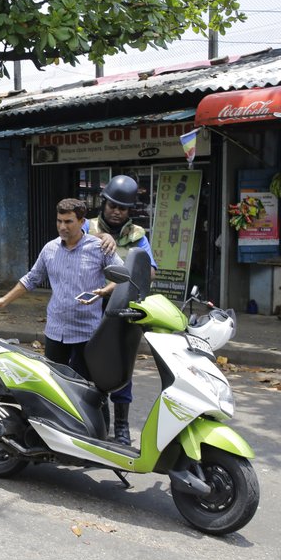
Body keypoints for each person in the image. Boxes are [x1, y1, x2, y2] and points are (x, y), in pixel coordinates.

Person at [0, 197, 122, 384]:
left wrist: (104, 291)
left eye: (68, 221)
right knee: (55, 384)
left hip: (87, 332)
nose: (62, 227)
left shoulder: (99, 248)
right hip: (55, 330)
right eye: (59, 221)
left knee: (88, 388)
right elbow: (31, 279)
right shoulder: (49, 249)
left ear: (82, 222)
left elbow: (123, 276)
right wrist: (4, 300)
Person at [84, 175, 158, 444]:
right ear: (104, 203)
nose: (116, 212)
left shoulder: (138, 237)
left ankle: (123, 427)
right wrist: (100, 237)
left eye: (122, 208)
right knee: (89, 366)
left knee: (120, 366)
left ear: (129, 211)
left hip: (123, 310)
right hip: (89, 308)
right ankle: (97, 425)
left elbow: (148, 271)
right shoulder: (85, 227)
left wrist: (125, 276)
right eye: (113, 205)